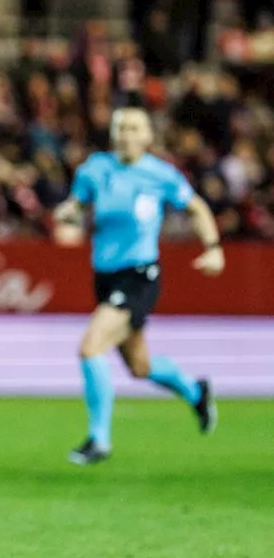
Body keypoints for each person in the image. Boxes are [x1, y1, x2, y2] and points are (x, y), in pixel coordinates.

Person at [53, 107, 223, 466]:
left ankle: (99, 439)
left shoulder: (161, 175)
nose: (128, 134)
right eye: (122, 128)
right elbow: (77, 205)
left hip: (140, 275)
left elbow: (197, 209)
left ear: (148, 136)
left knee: (91, 346)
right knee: (140, 366)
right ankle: (196, 392)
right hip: (106, 277)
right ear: (114, 134)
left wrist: (213, 247)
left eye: (135, 128)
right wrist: (66, 213)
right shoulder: (94, 169)